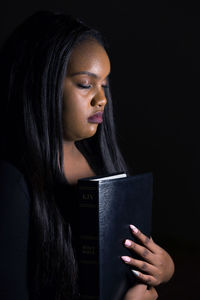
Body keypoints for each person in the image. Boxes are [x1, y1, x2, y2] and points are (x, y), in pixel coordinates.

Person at [0, 10, 174, 300]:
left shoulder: (100, 162)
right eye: (85, 84)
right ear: (40, 84)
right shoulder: (12, 185)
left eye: (104, 84)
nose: (102, 99)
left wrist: (162, 267)